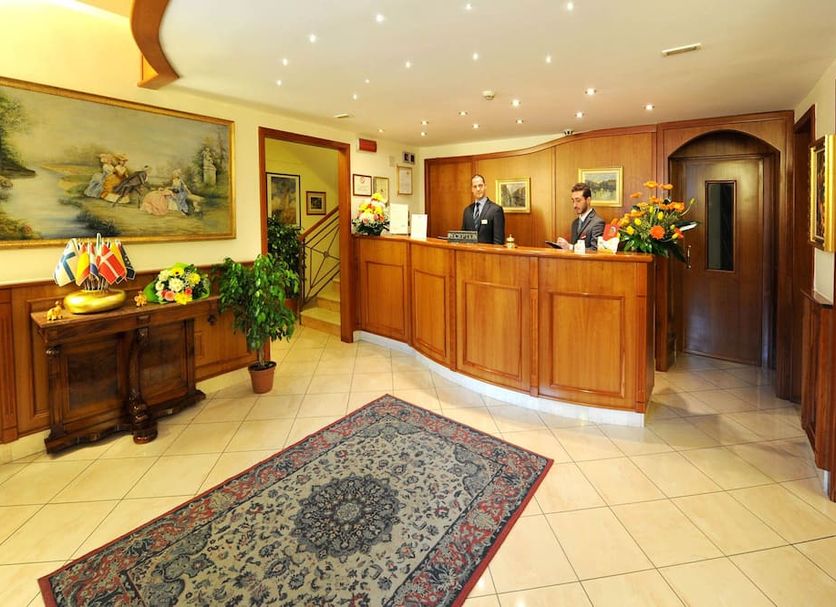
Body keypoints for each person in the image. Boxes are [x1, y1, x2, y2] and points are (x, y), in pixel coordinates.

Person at [556, 182, 606, 251]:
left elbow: (595, 250)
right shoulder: (575, 223)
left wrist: (570, 247)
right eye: (573, 201)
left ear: (588, 200)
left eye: (578, 200)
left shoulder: (598, 223)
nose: (574, 205)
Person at [461, 174, 505, 244]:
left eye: (480, 185)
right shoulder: (467, 211)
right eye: (475, 186)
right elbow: (463, 238)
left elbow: (498, 241)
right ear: (472, 189)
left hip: (488, 251)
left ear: (485, 186)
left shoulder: (496, 210)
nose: (478, 189)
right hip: (470, 250)